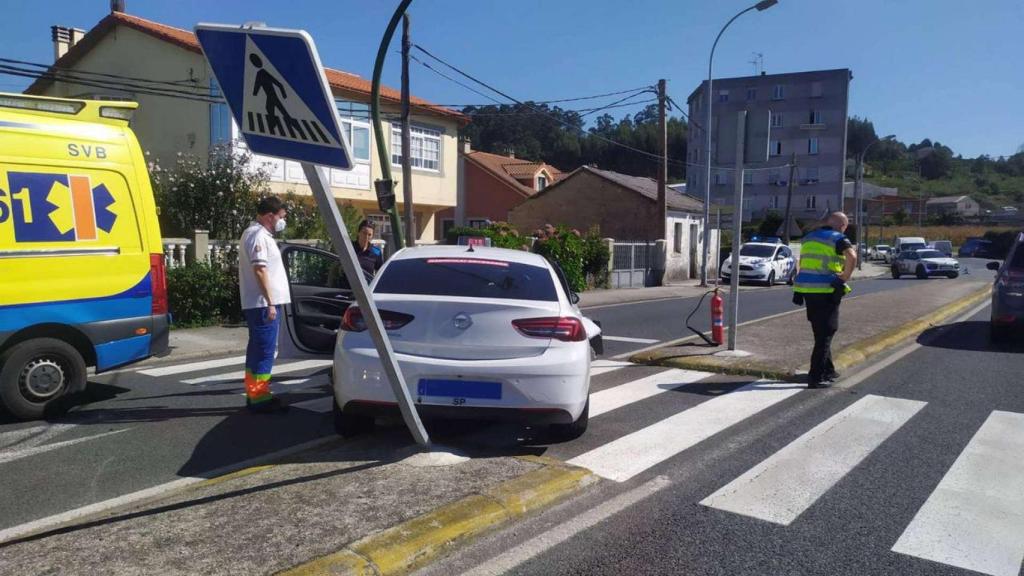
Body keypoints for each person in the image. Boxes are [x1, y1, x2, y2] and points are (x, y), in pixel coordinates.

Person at [791, 211, 857, 389]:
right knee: (826, 332)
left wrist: (798, 287)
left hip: (806, 290)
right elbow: (852, 257)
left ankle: (828, 370)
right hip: (826, 290)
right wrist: (844, 277)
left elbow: (802, 262)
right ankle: (816, 376)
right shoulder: (837, 238)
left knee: (819, 332)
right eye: (845, 226)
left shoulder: (809, 237)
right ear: (842, 226)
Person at [239, 196, 291, 413]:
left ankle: (254, 394)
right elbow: (260, 270)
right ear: (270, 215)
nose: (282, 221)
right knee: (265, 351)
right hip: (263, 305)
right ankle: (260, 398)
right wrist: (270, 303)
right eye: (281, 216)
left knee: (256, 351)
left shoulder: (255, 234)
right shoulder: (258, 236)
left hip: (259, 304)